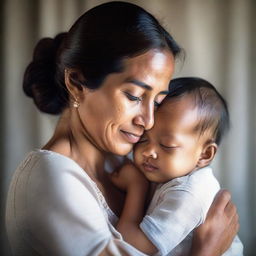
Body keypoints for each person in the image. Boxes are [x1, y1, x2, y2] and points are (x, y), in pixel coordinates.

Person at [5, 2, 239, 256]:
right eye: (134, 96)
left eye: (158, 102)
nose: (149, 121)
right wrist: (206, 251)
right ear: (76, 83)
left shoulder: (125, 162)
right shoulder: (50, 179)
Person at [110, 77, 244, 256]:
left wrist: (136, 186)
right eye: (143, 139)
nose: (148, 151)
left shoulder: (189, 194)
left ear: (205, 154)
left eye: (167, 145)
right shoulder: (166, 174)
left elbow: (130, 246)